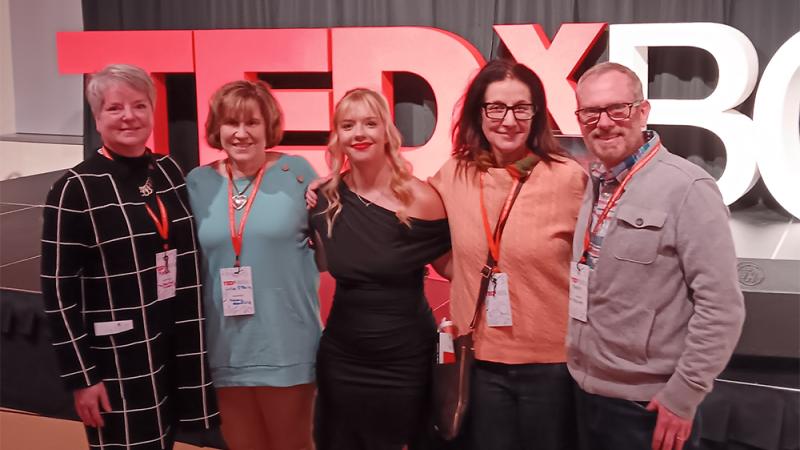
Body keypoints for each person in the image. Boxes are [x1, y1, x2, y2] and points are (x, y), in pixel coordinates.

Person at [567, 61, 746, 450]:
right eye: (591, 112)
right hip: (586, 391)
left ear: (643, 111)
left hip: (647, 405)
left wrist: (683, 396)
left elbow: (721, 307)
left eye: (618, 109)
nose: (604, 122)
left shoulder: (687, 187)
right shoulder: (596, 181)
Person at [40, 63, 218, 450]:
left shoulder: (168, 170)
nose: (129, 117)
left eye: (139, 105)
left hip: (176, 342)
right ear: (97, 116)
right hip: (119, 358)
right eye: (115, 107)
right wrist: (82, 378)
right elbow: (58, 294)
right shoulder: (75, 189)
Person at [428, 58, 587, 449]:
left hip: (551, 365)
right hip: (478, 362)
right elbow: (404, 208)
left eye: (521, 107)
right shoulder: (455, 173)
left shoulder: (568, 177)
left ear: (537, 113)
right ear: (478, 113)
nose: (509, 120)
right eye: (496, 107)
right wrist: (333, 184)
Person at [308, 87, 451, 450]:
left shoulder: (421, 199)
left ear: (387, 131)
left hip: (406, 360)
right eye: (348, 125)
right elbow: (320, 260)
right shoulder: (326, 200)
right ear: (337, 137)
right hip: (342, 358)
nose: (359, 134)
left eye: (370, 123)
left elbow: (454, 268)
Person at [186, 80, 321, 450]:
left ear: (268, 127)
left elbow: (329, 245)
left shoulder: (297, 173)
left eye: (252, 123)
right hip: (225, 346)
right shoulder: (197, 183)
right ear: (218, 128)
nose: (241, 133)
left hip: (286, 345)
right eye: (231, 123)